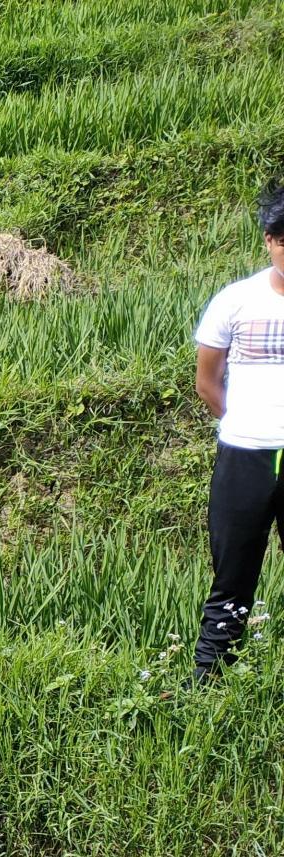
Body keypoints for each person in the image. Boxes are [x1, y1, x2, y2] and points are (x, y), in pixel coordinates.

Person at [191, 182, 284, 680]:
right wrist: (245, 423)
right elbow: (208, 383)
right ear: (268, 240)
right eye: (283, 238)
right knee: (232, 579)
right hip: (244, 455)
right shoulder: (235, 301)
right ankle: (209, 685)